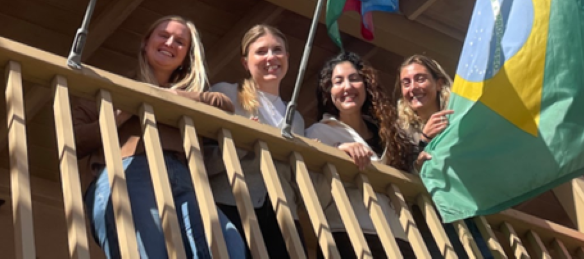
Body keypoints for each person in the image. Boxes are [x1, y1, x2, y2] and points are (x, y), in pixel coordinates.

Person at [73, 15, 245, 259]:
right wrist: (121, 115)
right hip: (129, 172)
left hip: (184, 179)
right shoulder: (109, 86)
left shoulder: (188, 98)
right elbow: (75, 138)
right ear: (146, 43)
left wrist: (169, 96)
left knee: (228, 244)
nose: (170, 43)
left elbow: (224, 105)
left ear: (186, 56)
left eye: (180, 41)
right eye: (163, 36)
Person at [208, 24, 305, 258]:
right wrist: (242, 143)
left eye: (277, 50)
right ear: (245, 62)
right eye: (261, 51)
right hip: (232, 204)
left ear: (287, 58)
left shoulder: (297, 119)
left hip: (283, 217)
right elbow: (203, 160)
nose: (271, 57)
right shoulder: (226, 94)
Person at [306, 52, 416, 258]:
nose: (347, 87)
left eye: (354, 78)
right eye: (338, 81)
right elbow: (314, 197)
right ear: (328, 91)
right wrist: (335, 157)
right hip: (348, 235)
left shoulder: (390, 135)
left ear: (366, 85)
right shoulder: (318, 132)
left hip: (400, 240)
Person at [396, 55, 492, 259]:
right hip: (427, 223)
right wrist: (424, 139)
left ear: (438, 83)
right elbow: (397, 171)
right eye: (406, 83)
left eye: (420, 78)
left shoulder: (460, 121)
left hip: (468, 219)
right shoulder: (399, 131)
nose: (413, 87)